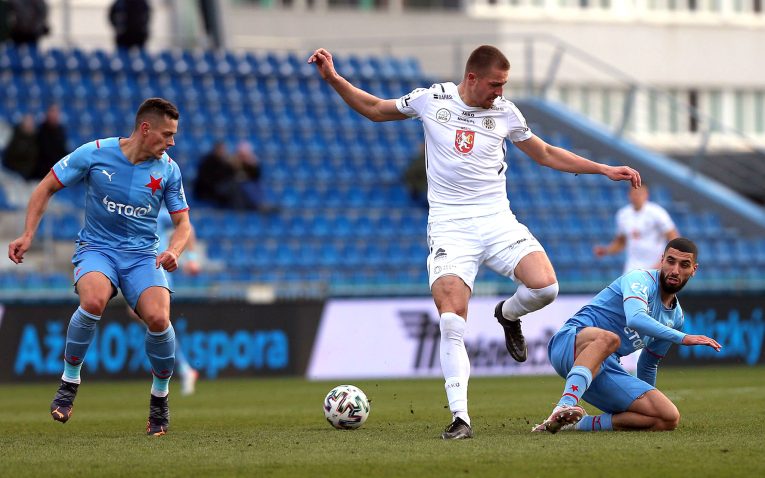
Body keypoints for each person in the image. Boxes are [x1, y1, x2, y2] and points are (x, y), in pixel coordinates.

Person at [308, 45, 641, 440]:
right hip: (451, 227)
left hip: (497, 220)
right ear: (472, 78)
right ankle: (461, 418)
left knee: (546, 287)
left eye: (504, 85)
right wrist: (332, 78)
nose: (499, 92)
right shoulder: (432, 99)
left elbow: (546, 153)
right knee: (451, 321)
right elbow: (376, 109)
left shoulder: (506, 113)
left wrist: (602, 169)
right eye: (495, 84)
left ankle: (509, 314)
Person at [8, 98, 190, 437]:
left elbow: (183, 225)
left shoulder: (169, 169)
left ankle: (160, 399)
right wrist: (29, 233)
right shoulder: (94, 153)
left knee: (159, 319)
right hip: (97, 249)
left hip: (141, 256)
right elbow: (46, 186)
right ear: (145, 128)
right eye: (167, 134)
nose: (172, 142)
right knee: (92, 301)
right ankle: (69, 382)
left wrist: (175, 251)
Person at [532, 237, 721, 434]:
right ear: (662, 259)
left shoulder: (676, 317)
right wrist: (682, 338)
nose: (675, 270)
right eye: (671, 261)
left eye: (684, 265)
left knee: (666, 417)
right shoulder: (640, 280)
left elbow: (648, 363)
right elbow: (635, 318)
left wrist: (643, 397)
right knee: (610, 338)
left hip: (604, 367)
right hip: (570, 343)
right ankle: (564, 404)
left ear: (694, 270)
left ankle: (576, 424)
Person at [594, 184, 679, 273]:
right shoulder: (623, 214)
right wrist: (606, 250)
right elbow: (621, 242)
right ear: (629, 195)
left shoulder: (657, 213)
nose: (637, 197)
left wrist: (665, 261)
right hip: (633, 267)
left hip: (655, 266)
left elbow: (673, 238)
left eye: (640, 193)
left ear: (646, 195)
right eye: (634, 193)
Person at [32, 104, 68, 180]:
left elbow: (62, 151)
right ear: (47, 113)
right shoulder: (41, 131)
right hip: (42, 173)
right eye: (52, 112)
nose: (55, 115)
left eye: (57, 112)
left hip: (58, 171)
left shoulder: (61, 131)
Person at [2, 114, 38, 180]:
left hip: (29, 175)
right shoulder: (15, 135)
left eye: (31, 122)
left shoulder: (36, 138)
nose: (29, 124)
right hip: (13, 172)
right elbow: (10, 156)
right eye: (27, 121)